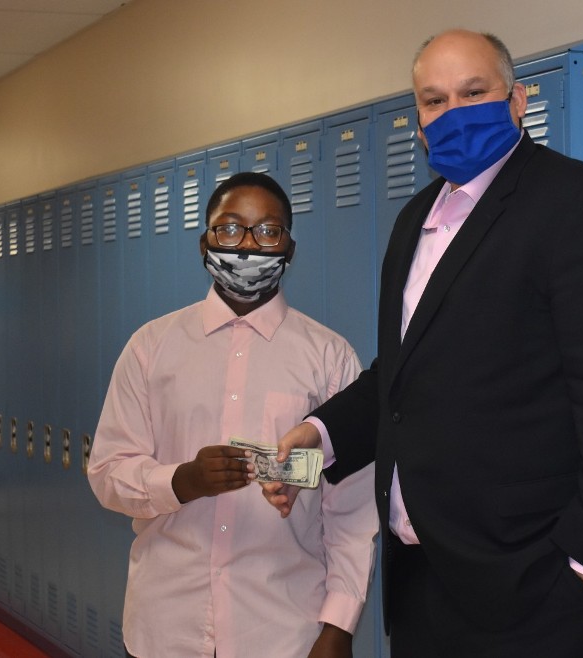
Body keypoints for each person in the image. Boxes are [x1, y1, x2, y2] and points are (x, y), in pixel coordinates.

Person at [263, 29, 583, 657]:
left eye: (474, 92)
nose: (453, 112)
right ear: (419, 121)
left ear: (517, 100)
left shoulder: (582, 206)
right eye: (434, 100)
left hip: (536, 590)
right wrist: (318, 436)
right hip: (423, 584)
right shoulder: (416, 220)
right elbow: (401, 377)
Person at [88, 172, 377, 658]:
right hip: (166, 627)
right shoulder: (150, 348)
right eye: (229, 228)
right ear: (205, 242)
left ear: (289, 248)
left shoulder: (330, 358)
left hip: (283, 631)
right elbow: (107, 474)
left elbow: (351, 508)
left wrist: (339, 626)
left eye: (267, 231)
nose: (247, 244)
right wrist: (182, 481)